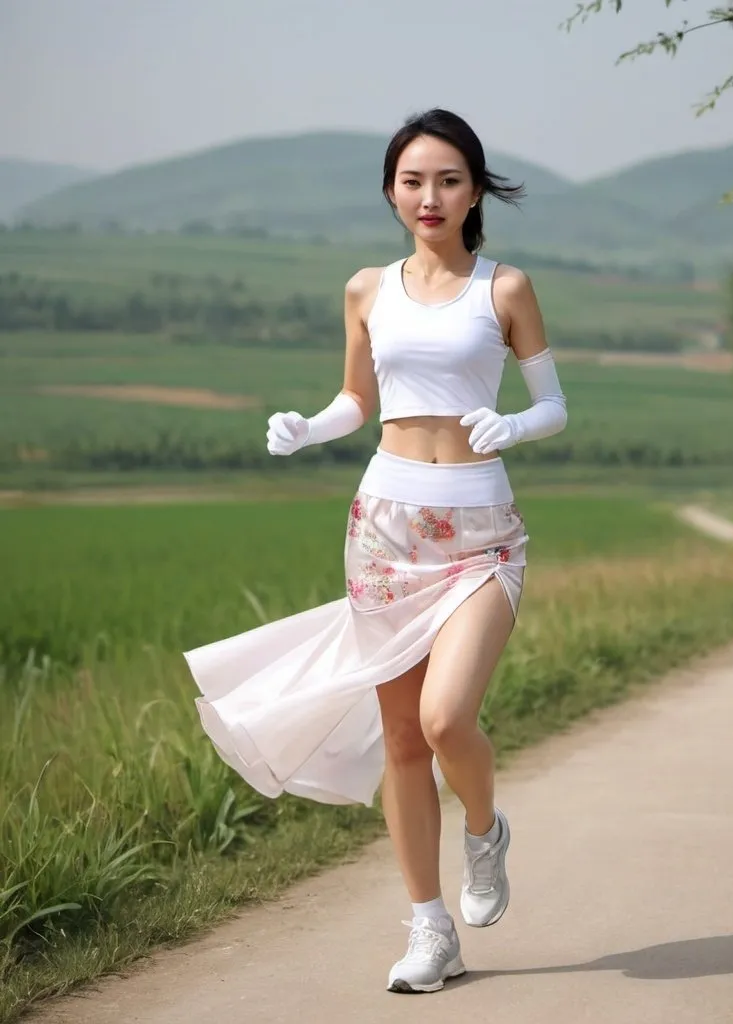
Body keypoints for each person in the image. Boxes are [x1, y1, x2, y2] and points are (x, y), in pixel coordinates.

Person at [182, 107, 568, 995]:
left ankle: (485, 832)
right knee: (401, 739)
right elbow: (360, 399)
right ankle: (428, 930)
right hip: (386, 529)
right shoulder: (367, 289)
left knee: (443, 720)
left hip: (480, 537)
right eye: (412, 181)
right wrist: (310, 427)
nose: (429, 197)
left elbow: (554, 405)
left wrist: (513, 422)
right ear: (392, 191)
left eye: (448, 180)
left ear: (475, 190)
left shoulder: (503, 289)